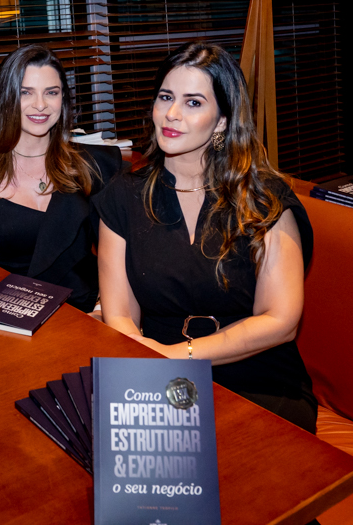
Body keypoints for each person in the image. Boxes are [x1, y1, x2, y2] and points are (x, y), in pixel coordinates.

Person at [94, 42, 317, 433]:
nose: (172, 114)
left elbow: (281, 320)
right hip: (157, 374)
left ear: (222, 121)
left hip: (256, 376)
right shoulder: (122, 196)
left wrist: (177, 355)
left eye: (193, 102)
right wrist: (152, 366)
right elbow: (121, 318)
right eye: (166, 97)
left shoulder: (263, 198)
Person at [0, 45, 123, 312]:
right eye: (25, 93)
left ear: (63, 99)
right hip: (5, 315)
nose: (40, 105)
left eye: (51, 93)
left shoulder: (91, 164)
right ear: (6, 97)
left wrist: (106, 310)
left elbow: (118, 256)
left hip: (85, 312)